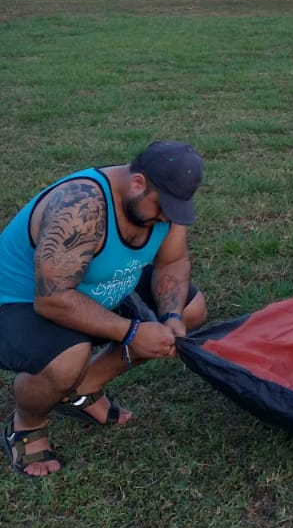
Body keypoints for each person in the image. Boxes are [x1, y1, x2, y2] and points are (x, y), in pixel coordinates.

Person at [0, 142, 206, 477]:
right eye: (163, 206)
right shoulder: (82, 206)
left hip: (99, 288)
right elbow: (52, 299)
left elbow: (173, 261)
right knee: (67, 360)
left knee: (191, 309)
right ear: (138, 182)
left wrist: (171, 317)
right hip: (20, 301)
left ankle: (81, 389)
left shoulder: (165, 204)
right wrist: (133, 332)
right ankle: (26, 423)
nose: (167, 217)